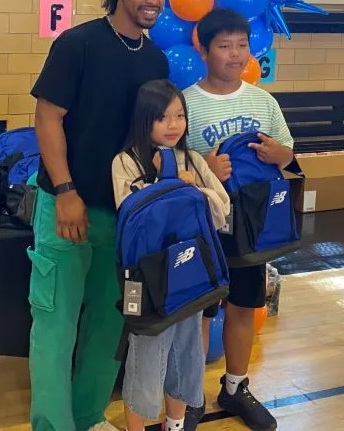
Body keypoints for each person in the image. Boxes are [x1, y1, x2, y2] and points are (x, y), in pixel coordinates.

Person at [28, 0, 169, 431]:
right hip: (66, 205)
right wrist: (66, 191)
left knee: (109, 325)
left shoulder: (155, 58)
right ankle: (53, 425)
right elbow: (48, 118)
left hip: (124, 216)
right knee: (56, 324)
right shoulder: (78, 44)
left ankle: (87, 417)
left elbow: (154, 133)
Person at [182, 9, 294, 431]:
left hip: (252, 228)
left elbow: (289, 154)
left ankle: (235, 387)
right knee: (200, 313)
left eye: (241, 46)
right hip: (204, 228)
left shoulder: (263, 101)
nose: (234, 55)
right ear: (204, 48)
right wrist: (204, 168)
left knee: (245, 306)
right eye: (224, 46)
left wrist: (279, 155)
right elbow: (169, 168)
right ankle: (189, 393)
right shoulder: (186, 102)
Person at [112, 79, 230, 431]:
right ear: (144, 120)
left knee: (186, 353)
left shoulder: (192, 159)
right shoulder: (125, 161)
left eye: (180, 115)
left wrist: (189, 186)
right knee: (146, 357)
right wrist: (172, 184)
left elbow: (222, 207)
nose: (174, 125)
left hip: (190, 274)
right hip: (147, 278)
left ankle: (175, 424)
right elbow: (132, 213)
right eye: (162, 117)